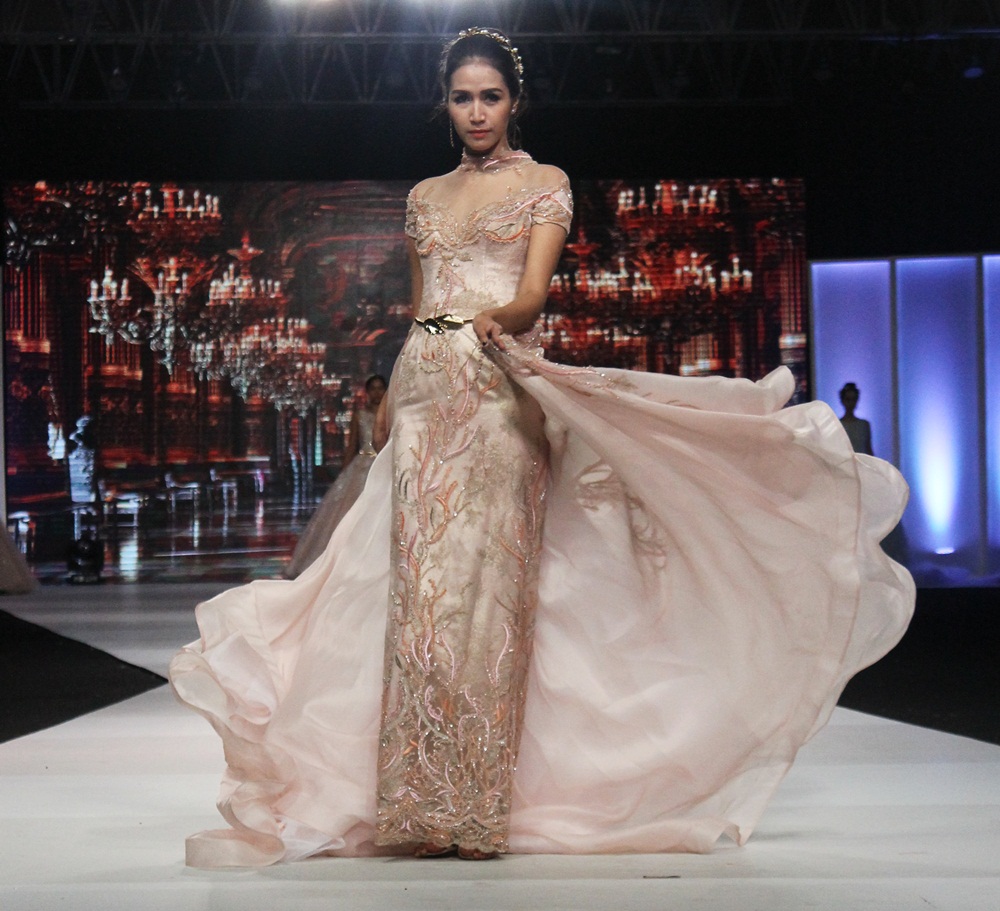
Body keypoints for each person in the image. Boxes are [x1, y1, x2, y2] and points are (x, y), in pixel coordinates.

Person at [169, 28, 914, 868]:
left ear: (514, 101)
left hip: (497, 392)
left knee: (490, 590)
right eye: (462, 97)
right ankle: (420, 801)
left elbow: (530, 295)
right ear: (444, 105)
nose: (476, 111)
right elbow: (420, 307)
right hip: (424, 389)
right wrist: (391, 394)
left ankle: (477, 806)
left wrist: (494, 325)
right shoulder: (423, 196)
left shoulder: (545, 184)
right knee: (419, 592)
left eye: (490, 96)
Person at [284, 375, 387, 579]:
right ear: (367, 392)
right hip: (363, 467)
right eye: (373, 389)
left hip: (384, 466)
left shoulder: (390, 416)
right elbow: (352, 445)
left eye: (380, 388)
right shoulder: (360, 415)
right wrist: (344, 473)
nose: (377, 393)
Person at [838, 382, 873, 455]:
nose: (851, 403)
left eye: (853, 399)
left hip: (861, 461)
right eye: (848, 399)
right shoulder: (837, 425)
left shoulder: (864, 425)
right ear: (843, 401)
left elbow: (868, 450)